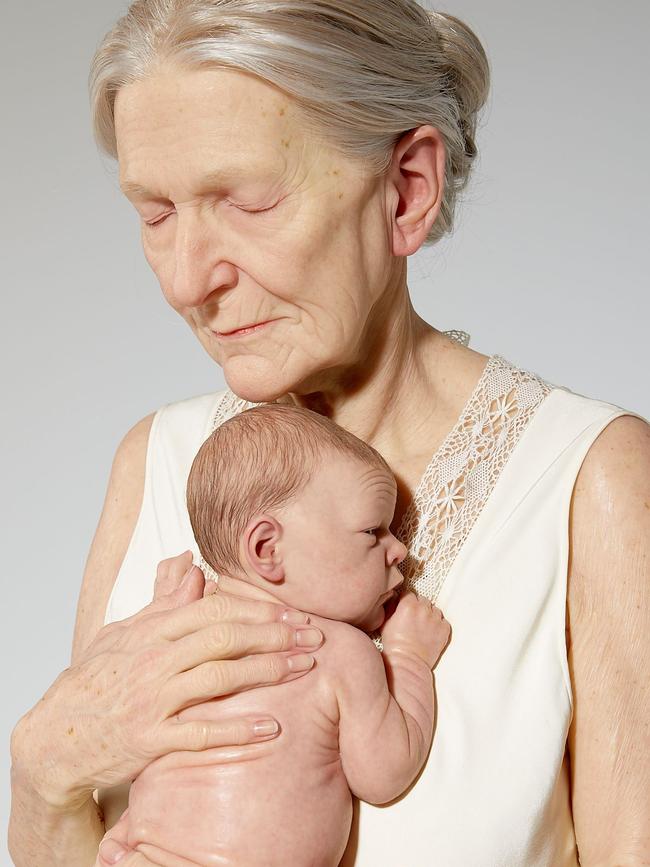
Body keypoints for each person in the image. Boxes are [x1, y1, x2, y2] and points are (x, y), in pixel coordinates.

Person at [8, 1, 649, 865]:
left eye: (247, 200)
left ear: (405, 189)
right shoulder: (156, 463)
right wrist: (42, 775)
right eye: (155, 213)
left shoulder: (591, 483)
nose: (189, 280)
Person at [94, 403, 451, 866]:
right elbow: (384, 773)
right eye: (372, 531)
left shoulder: (184, 626)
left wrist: (164, 603)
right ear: (267, 549)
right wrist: (408, 658)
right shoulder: (338, 651)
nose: (399, 549)